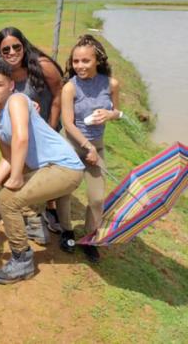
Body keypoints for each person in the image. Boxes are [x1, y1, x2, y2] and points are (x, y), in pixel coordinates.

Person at [0, 61, 84, 284]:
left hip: (64, 166)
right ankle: (37, 228)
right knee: (6, 195)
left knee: (7, 201)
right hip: (47, 168)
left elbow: (21, 137)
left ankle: (22, 261)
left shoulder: (17, 100)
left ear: (11, 85)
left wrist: (16, 177)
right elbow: (8, 157)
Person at [0, 27, 65, 239]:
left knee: (46, 170)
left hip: (47, 126)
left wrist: (52, 127)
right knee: (25, 170)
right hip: (22, 130)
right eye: (6, 50)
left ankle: (48, 210)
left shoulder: (42, 66)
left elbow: (59, 94)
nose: (12, 52)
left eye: (17, 47)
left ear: (24, 46)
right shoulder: (3, 72)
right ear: (0, 53)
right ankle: (32, 213)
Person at [60, 34, 122, 263]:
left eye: (85, 61)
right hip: (71, 146)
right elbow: (67, 123)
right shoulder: (70, 87)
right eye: (76, 61)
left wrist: (111, 114)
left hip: (97, 147)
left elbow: (118, 112)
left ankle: (88, 238)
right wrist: (87, 148)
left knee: (97, 198)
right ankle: (66, 231)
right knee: (65, 191)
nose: (80, 66)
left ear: (97, 60)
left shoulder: (111, 84)